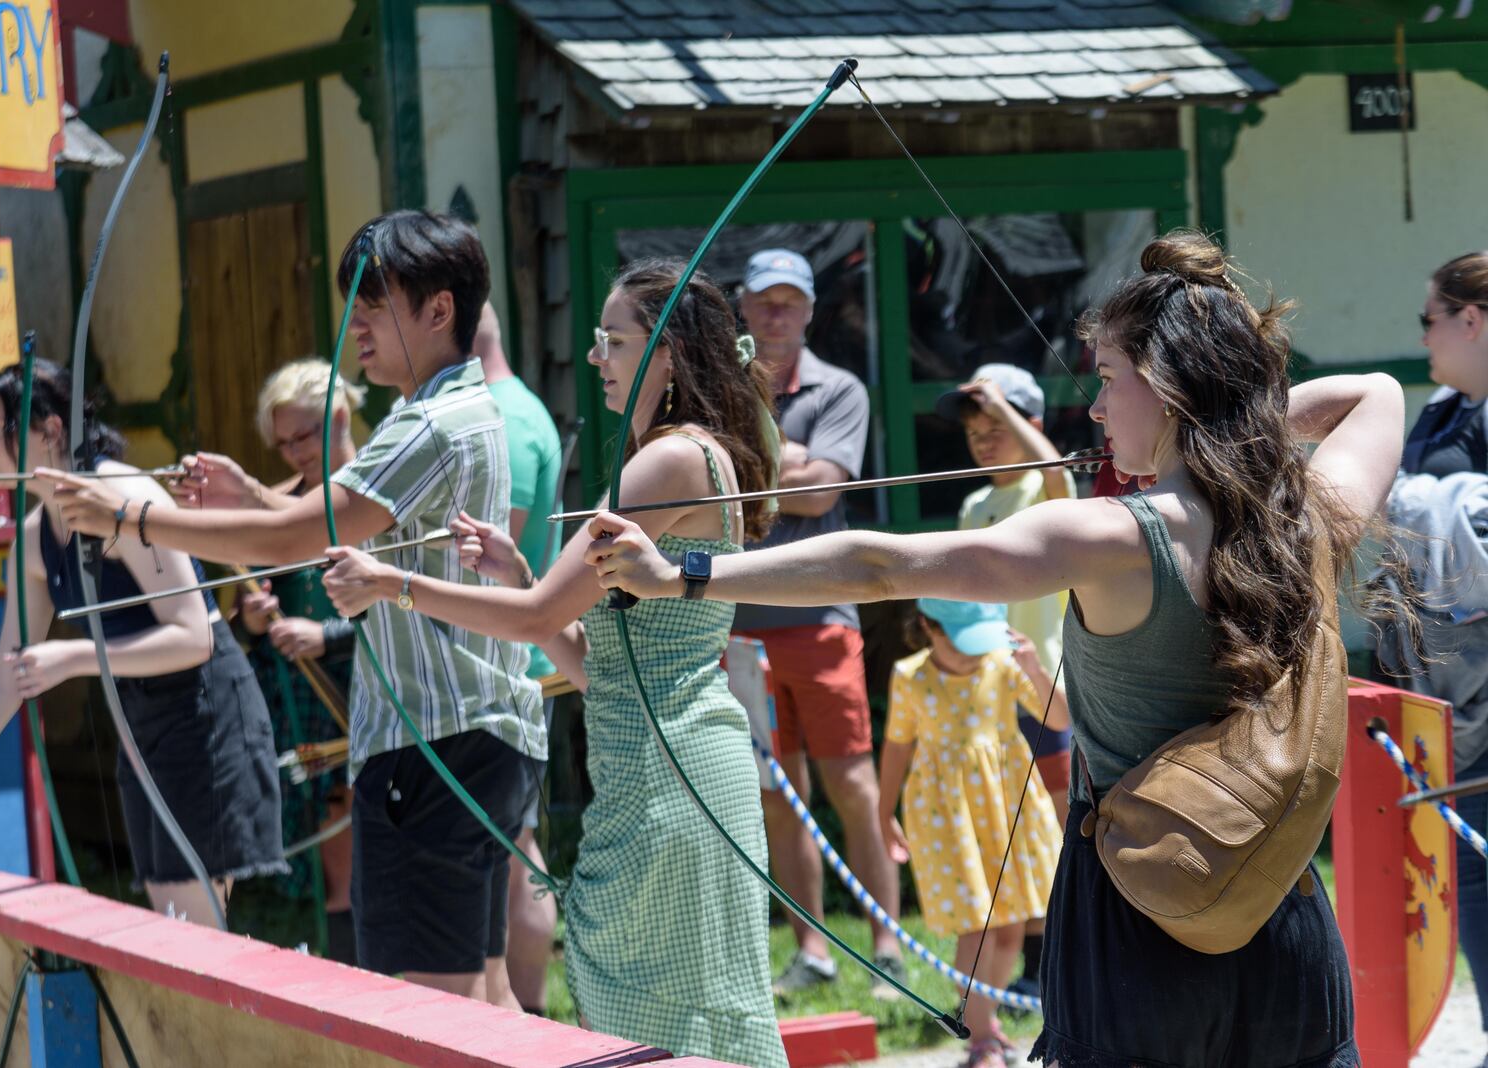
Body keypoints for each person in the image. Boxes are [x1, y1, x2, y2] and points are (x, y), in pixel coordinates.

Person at [589, 231, 1404, 1068]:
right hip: (1284, 916)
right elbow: (1376, 395)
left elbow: (877, 564)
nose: (1093, 408)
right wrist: (1237, 429)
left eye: (1111, 379)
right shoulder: (1305, 521)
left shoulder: (1108, 537)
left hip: (1139, 919)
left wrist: (680, 571)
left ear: (1166, 389)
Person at [48, 210, 546, 1008]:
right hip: (471, 739)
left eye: (374, 304)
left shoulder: (430, 423)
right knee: (488, 999)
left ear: (439, 309)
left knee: (444, 1012)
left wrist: (129, 518)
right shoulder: (459, 411)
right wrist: (245, 496)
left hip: (437, 749)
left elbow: (294, 531)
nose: (357, 327)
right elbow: (332, 521)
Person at [318, 259, 788, 1068]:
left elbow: (540, 620)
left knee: (669, 1026)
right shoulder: (674, 456)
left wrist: (394, 582)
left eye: (615, 340)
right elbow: (588, 658)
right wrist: (520, 576)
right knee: (651, 1017)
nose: (598, 356)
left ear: (666, 353)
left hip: (673, 776)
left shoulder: (670, 461)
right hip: (651, 768)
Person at [0, 358, 287, 927]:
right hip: (141, 720)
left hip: (205, 713)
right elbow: (7, 678)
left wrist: (74, 657)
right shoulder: (31, 539)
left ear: (51, 431)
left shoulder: (120, 493)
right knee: (171, 916)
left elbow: (193, 635)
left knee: (197, 927)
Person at [733, 247, 905, 997]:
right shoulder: (720, 393)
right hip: (738, 622)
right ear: (743, 307)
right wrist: (788, 466)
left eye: (790, 301)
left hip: (823, 613)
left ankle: (890, 949)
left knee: (853, 786)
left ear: (809, 310)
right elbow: (724, 492)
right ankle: (813, 950)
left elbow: (818, 493)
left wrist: (754, 476)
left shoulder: (840, 389)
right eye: (764, 301)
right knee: (777, 791)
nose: (777, 313)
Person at [182, 358, 365, 963]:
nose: (291, 455)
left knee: (374, 851)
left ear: (338, 416)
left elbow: (405, 606)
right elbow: (244, 618)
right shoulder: (280, 504)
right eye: (282, 443)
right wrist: (252, 622)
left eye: (303, 437)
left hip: (369, 686)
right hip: (306, 704)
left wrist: (328, 635)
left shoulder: (377, 494)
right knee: (333, 856)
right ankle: (348, 984)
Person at [937, 362, 1074, 1002]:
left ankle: (1061, 958)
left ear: (1030, 423)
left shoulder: (1047, 492)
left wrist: (1005, 405)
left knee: (1052, 821)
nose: (982, 438)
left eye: (995, 423)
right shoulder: (973, 504)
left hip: (1046, 685)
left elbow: (1056, 474)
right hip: (990, 691)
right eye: (973, 428)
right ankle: (1031, 963)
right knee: (1010, 830)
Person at [879, 600, 1064, 1068]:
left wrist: (1036, 669)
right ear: (927, 626)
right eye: (961, 644)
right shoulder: (911, 676)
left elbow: (1060, 719)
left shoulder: (1001, 663)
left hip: (1005, 805)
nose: (971, 656)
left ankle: (984, 1020)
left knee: (1012, 926)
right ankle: (980, 1034)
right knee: (976, 924)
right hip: (948, 816)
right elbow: (897, 744)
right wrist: (884, 814)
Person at [1392, 251, 1488, 1047]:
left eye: (1429, 319)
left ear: (1471, 319)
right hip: (1448, 693)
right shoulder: (1439, 414)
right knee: (1473, 878)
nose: (1421, 337)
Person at [473, 300, 563, 1015]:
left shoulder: (505, 416)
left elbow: (492, 554)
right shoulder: (512, 406)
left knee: (514, 853)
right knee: (513, 849)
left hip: (502, 671)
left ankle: (526, 1019)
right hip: (508, 666)